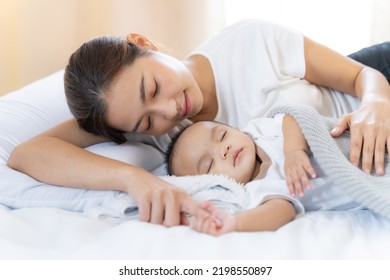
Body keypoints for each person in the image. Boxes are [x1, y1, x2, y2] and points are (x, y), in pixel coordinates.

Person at [7, 19, 390, 227]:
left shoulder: (246, 41)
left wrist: (375, 103)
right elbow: (29, 154)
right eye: (145, 121)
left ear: (146, 43)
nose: (169, 110)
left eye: (153, 87)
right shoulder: (166, 140)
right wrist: (134, 180)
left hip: (373, 89)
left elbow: (361, 75)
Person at [165, 114, 368, 236]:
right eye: (209, 163)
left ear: (236, 128)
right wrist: (235, 223)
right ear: (211, 183)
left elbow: (293, 117)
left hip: (357, 138)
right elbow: (281, 211)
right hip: (367, 181)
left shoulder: (258, 130)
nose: (223, 149)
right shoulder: (255, 190)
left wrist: (294, 150)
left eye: (222, 135)